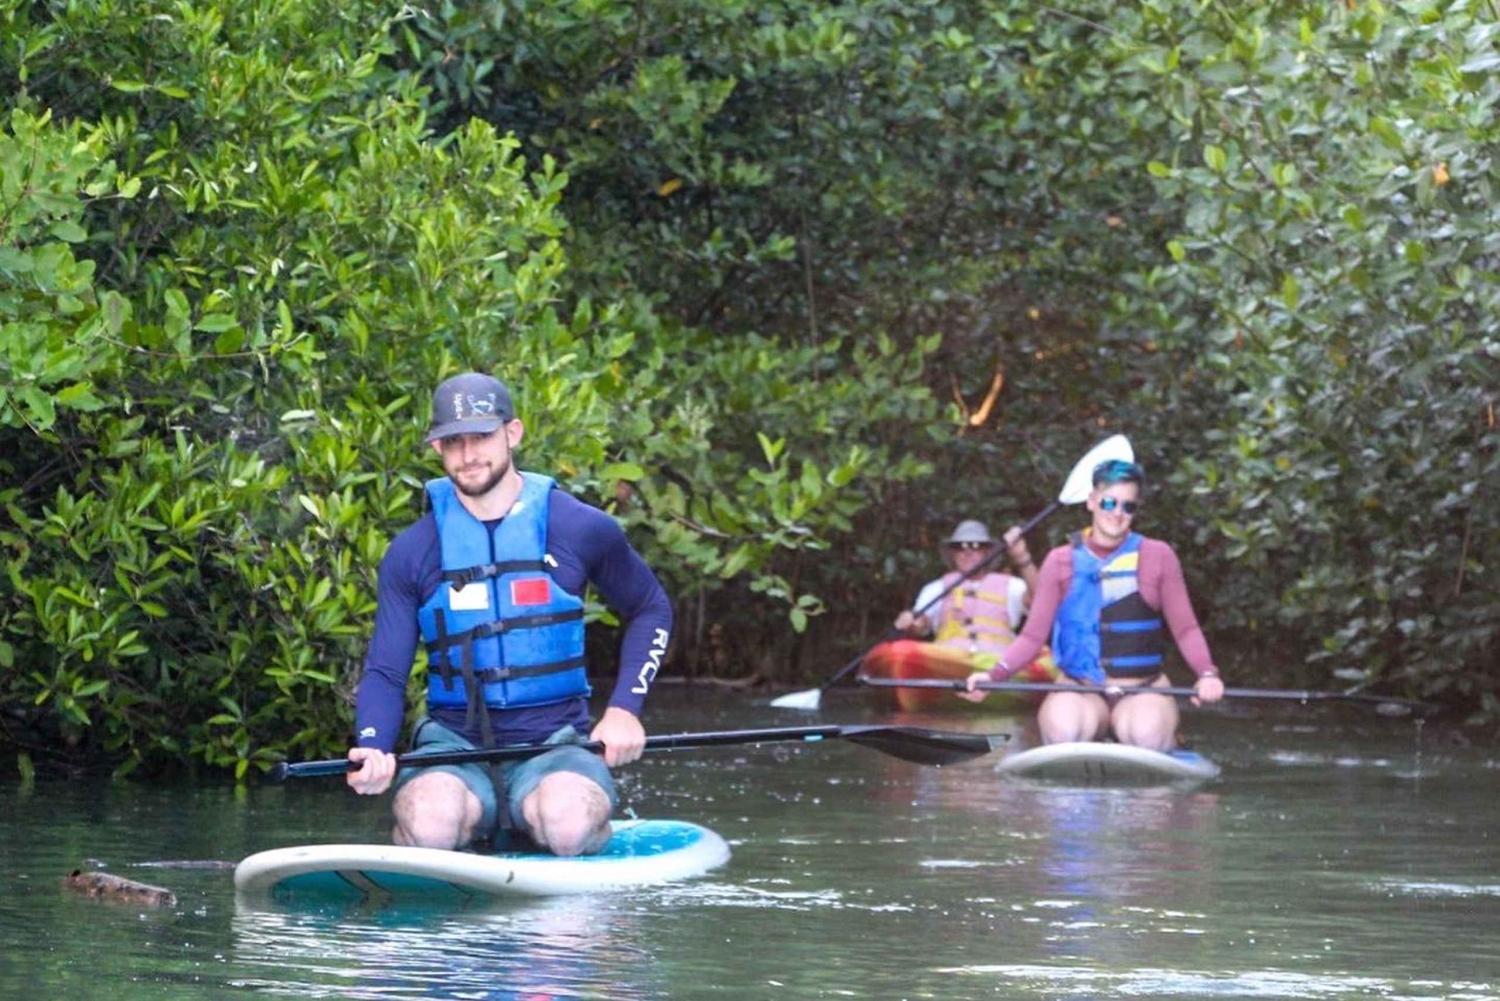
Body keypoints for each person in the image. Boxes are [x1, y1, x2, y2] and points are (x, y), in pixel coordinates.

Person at [345, 372, 673, 857]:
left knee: (566, 822)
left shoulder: (580, 527)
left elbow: (651, 608)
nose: (468, 454)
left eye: (481, 437)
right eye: (452, 442)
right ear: (437, 450)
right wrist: (371, 743)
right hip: (451, 748)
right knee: (430, 821)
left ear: (512, 433)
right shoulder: (412, 551)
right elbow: (386, 671)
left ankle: (566, 833)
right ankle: (454, 845)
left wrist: (625, 710)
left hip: (557, 747)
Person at [961, 460, 1224, 749]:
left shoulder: (1158, 556)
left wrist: (1207, 674)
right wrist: (993, 675)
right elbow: (1033, 636)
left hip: (1142, 691)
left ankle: (1159, 738)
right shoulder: (1059, 560)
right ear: (1091, 502)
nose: (1118, 513)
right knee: (1065, 730)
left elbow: (1185, 629)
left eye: (1128, 506)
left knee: (1145, 733)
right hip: (1079, 689)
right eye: (1109, 503)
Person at [894, 519, 1040, 664]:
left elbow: (1040, 602)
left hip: (998, 663)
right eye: (960, 546)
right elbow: (920, 624)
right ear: (953, 554)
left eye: (976, 546)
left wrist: (1022, 558)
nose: (968, 551)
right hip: (949, 663)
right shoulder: (935, 588)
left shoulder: (1012, 585)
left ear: (987, 552)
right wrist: (911, 623)